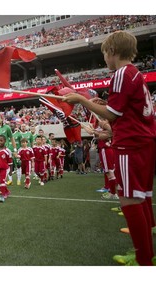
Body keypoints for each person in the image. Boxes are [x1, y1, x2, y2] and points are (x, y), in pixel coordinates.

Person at [63, 30, 156, 266]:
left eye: (104, 54)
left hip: (131, 144)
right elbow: (124, 111)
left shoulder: (121, 74)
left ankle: (144, 260)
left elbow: (113, 115)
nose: (104, 58)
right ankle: (145, 253)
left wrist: (81, 100)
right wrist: (103, 105)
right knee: (141, 197)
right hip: (143, 142)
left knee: (129, 199)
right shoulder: (134, 73)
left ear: (112, 52)